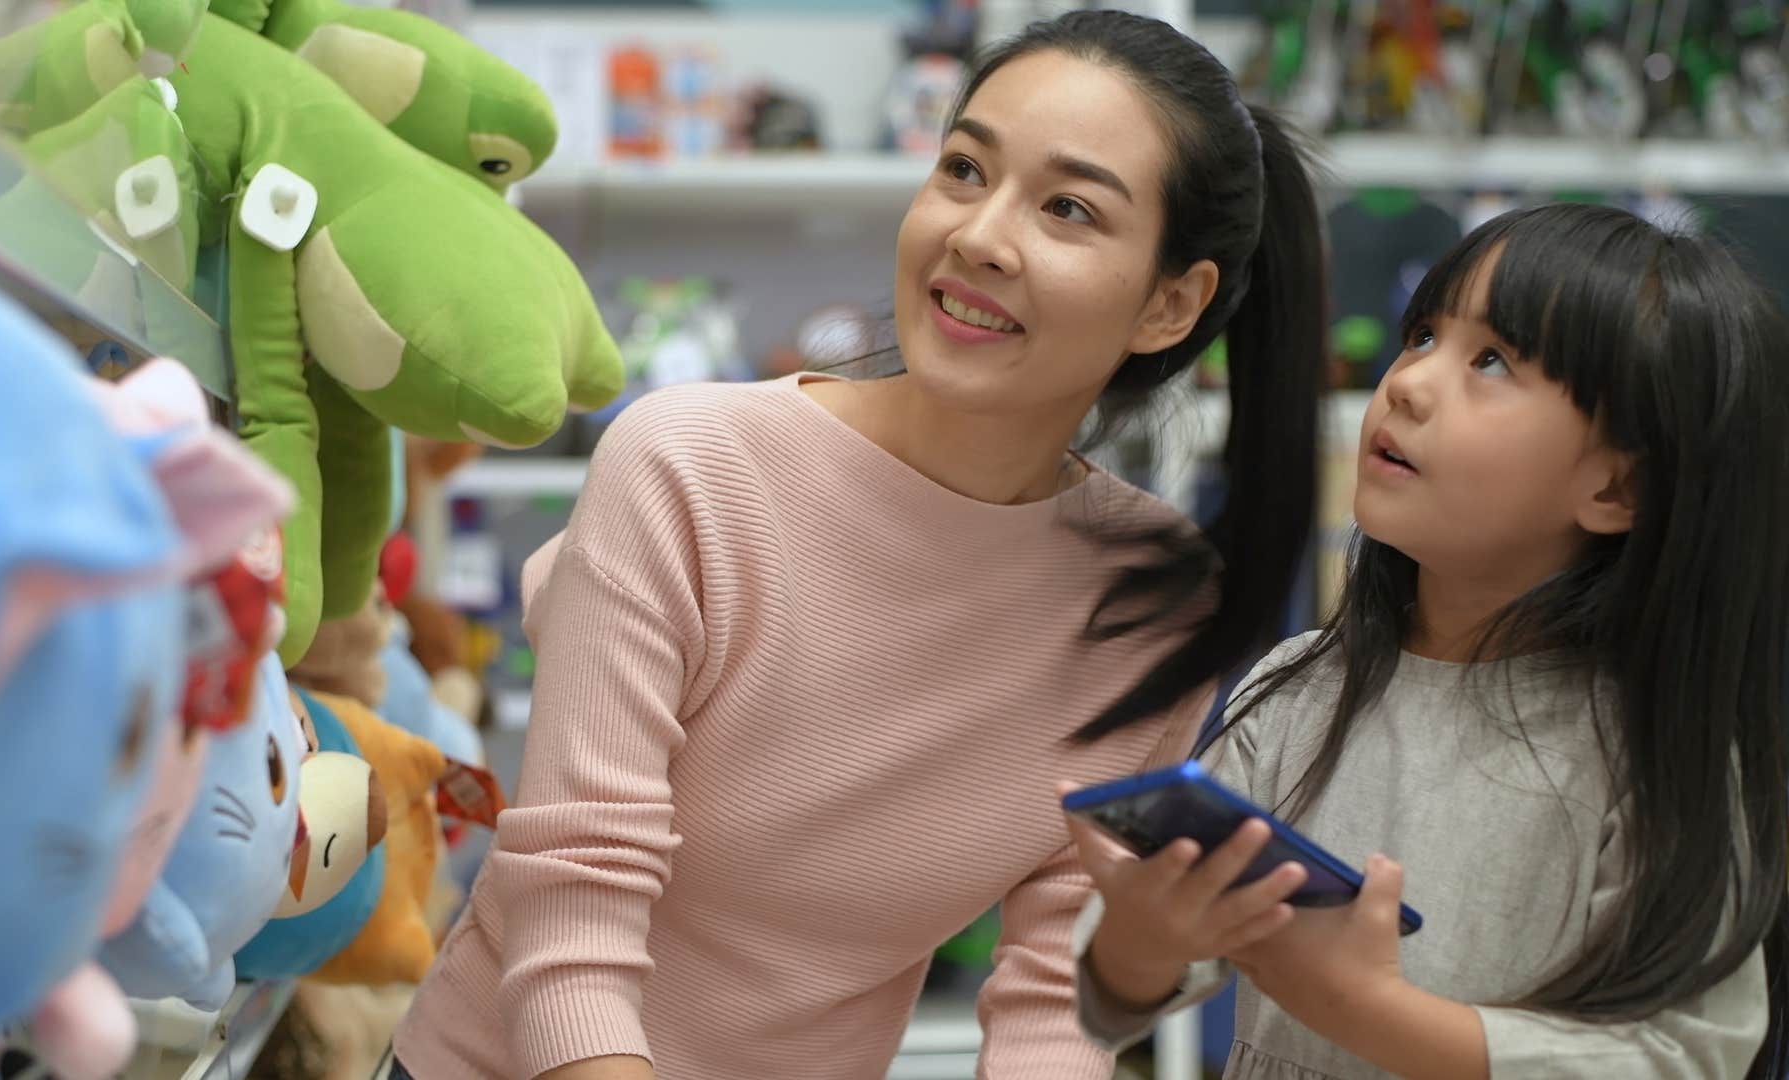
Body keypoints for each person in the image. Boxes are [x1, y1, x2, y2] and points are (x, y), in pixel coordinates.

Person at [391, 11, 1329, 1079]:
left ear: (1171, 303)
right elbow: (575, 913)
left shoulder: (1153, 602)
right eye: (965, 168)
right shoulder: (691, 466)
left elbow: (1049, 1002)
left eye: (1067, 208)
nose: (978, 233)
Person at [1069, 202, 1789, 1079]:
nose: (1405, 383)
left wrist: (1370, 1013)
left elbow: (1679, 1056)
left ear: (1617, 488)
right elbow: (1120, 994)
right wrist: (1139, 943)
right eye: (1421, 337)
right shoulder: (1296, 690)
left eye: (1491, 360)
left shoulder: (1656, 756)